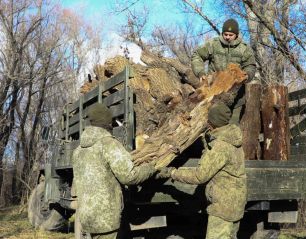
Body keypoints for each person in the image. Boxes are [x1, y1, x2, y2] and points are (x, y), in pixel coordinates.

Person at [157, 103, 247, 239]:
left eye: (209, 120)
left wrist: (172, 172)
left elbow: (200, 176)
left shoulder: (220, 146)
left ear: (213, 122)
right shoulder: (233, 140)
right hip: (235, 204)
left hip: (223, 207)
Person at [72, 103, 156, 239]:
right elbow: (129, 176)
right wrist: (152, 168)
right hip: (107, 220)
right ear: (107, 121)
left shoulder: (77, 151)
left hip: (88, 218)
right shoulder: (108, 144)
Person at [191, 18, 256, 124]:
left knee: (233, 127)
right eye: (225, 34)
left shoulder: (244, 48)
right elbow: (197, 55)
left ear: (237, 34)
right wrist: (201, 73)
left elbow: (250, 66)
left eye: (231, 35)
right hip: (214, 93)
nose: (227, 37)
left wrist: (247, 75)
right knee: (213, 123)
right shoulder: (213, 44)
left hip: (236, 96)